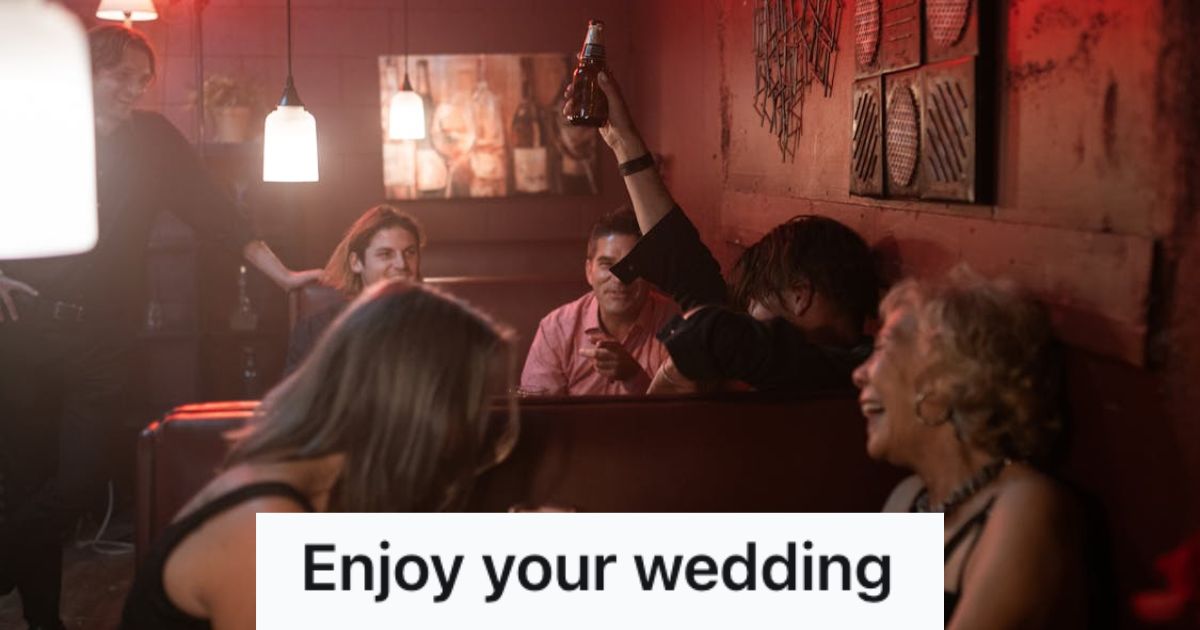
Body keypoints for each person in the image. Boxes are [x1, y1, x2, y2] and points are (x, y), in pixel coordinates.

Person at [0, 25, 317, 629]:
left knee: (84, 480)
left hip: (104, 339)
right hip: (21, 332)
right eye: (122, 76)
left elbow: (217, 214)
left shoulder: (153, 142)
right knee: (27, 482)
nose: (135, 90)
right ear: (82, 74)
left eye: (143, 81)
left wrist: (281, 276)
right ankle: (45, 622)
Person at [121, 280, 518, 629]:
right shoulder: (265, 527)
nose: (473, 430)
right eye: (468, 408)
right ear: (414, 411)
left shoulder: (320, 483)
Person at [570, 72, 878, 394]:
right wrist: (623, 140)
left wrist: (669, 381)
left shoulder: (850, 374)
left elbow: (711, 330)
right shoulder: (827, 364)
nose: (747, 313)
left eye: (754, 300)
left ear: (800, 296)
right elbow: (688, 271)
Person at [853, 268, 1086, 628]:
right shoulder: (909, 498)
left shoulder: (1025, 507)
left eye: (882, 347)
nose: (860, 373)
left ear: (945, 379)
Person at [520, 208, 678, 396]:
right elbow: (538, 412)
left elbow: (686, 416)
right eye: (607, 265)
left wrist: (635, 377)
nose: (619, 279)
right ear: (589, 271)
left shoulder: (677, 324)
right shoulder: (556, 328)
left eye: (633, 266)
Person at [284, 204, 425, 373]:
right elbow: (299, 398)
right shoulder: (316, 331)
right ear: (356, 263)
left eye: (409, 253)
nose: (402, 264)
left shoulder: (440, 326)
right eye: (386, 254)